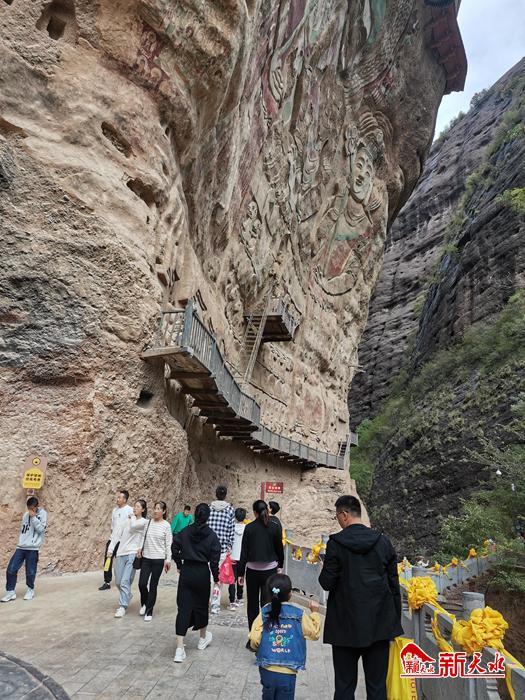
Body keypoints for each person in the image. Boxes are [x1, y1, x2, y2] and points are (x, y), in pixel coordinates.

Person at [319, 495, 403, 700]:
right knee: (377, 687)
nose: (338, 520)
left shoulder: (336, 544)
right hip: (379, 625)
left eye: (337, 516)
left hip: (344, 625)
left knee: (344, 687)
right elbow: (394, 586)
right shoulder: (383, 542)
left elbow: (327, 583)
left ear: (344, 515)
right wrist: (394, 624)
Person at [249, 573, 321, 699]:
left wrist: (258, 648)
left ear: (269, 593)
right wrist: (314, 613)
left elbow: (254, 639)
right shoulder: (299, 614)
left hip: (267, 669)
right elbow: (314, 633)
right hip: (288, 672)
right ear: (290, 593)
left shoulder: (264, 612)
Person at [171, 503, 221, 663]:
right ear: (208, 517)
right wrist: (216, 578)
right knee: (201, 606)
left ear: (195, 514)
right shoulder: (212, 536)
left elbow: (174, 547)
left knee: (183, 608)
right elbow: (214, 560)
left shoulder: (185, 531)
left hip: (187, 571)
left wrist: (179, 564)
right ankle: (202, 639)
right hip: (202, 573)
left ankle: (179, 649)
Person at [237, 500, 284, 647]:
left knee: (252, 606)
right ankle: (266, 638)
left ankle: (253, 638)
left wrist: (240, 573)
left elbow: (243, 552)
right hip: (270, 571)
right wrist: (280, 566)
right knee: (267, 605)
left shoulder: (249, 528)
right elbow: (279, 549)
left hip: (252, 572)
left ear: (254, 512)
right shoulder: (274, 526)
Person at [1, 497, 48, 602]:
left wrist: (34, 517)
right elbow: (24, 531)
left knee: (30, 571)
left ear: (36, 507)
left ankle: (30, 590)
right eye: (29, 508)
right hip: (21, 547)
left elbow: (41, 530)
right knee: (11, 569)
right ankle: (10, 592)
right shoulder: (26, 515)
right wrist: (21, 542)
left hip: (33, 548)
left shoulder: (43, 514)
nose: (30, 510)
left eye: (32, 508)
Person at [108, 498, 148, 618]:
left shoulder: (144, 522)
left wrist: (132, 517)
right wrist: (111, 549)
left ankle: (122, 606)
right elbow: (116, 533)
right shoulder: (127, 520)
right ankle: (127, 595)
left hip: (132, 553)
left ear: (143, 509)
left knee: (125, 581)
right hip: (121, 552)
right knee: (118, 582)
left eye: (138, 506)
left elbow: (135, 527)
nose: (135, 508)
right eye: (134, 506)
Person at [138, 500, 172, 622]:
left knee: (153, 585)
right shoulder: (148, 523)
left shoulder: (166, 526)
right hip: (146, 558)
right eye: (155, 508)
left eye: (158, 509)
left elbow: (168, 544)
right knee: (142, 584)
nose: (156, 511)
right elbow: (143, 537)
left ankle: (149, 610)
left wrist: (168, 560)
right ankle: (145, 603)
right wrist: (140, 548)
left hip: (158, 559)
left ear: (163, 511)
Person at [208, 485, 235, 614]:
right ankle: (215, 605)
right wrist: (230, 546)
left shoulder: (209, 508)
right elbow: (231, 531)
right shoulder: (230, 510)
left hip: (208, 548)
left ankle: (204, 601)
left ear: (216, 494)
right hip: (222, 549)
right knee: (218, 577)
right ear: (225, 495)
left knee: (207, 576)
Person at [99, 489, 133, 591]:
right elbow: (113, 526)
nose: (117, 499)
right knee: (107, 559)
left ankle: (122, 580)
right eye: (117, 497)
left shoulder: (130, 510)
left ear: (125, 499)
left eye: (119, 497)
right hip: (113, 539)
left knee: (120, 561)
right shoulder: (114, 510)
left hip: (122, 541)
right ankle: (107, 581)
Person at [229, 507, 247, 611]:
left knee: (232, 578)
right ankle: (240, 597)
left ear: (235, 517)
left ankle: (232, 600)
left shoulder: (231, 528)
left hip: (233, 556)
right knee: (241, 576)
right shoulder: (247, 528)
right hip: (243, 557)